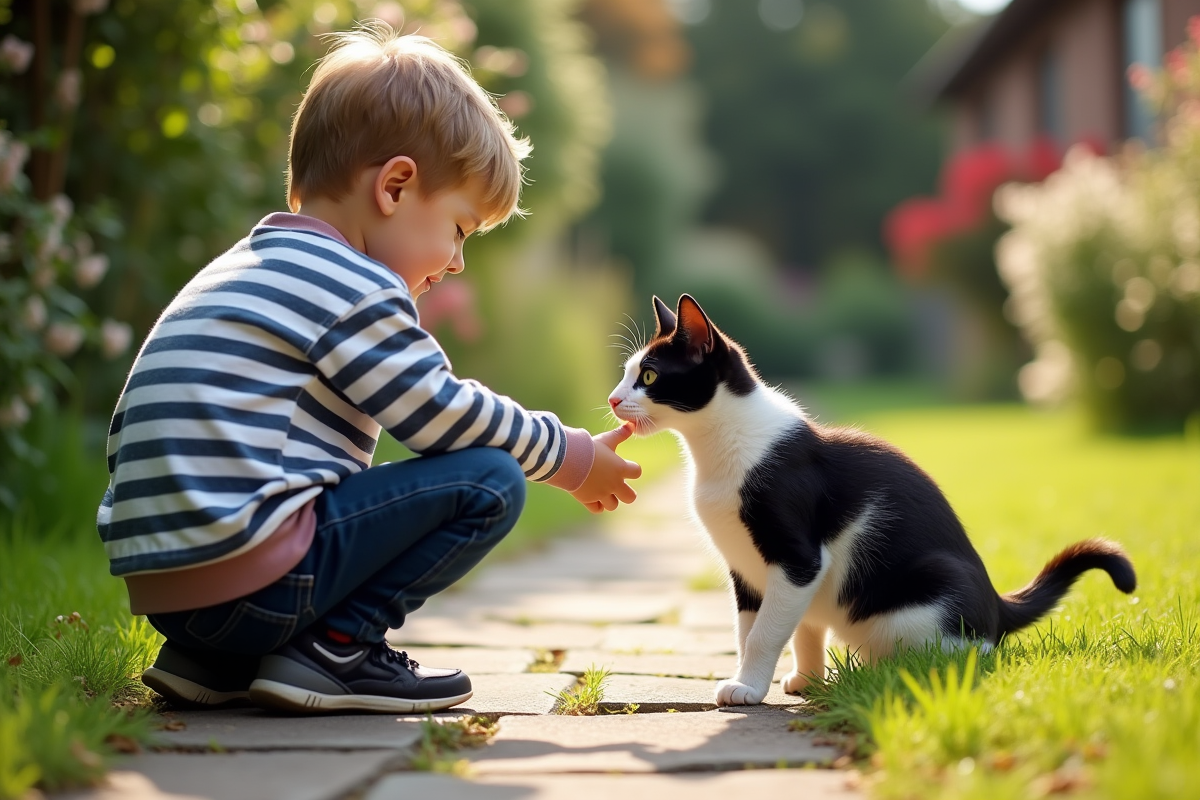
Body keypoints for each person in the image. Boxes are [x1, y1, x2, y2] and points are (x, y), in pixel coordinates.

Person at [98, 24, 641, 714]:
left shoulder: (239, 270)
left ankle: (212, 662)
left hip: (172, 594)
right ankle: (336, 648)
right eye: (460, 228)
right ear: (395, 186)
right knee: (492, 480)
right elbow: (440, 417)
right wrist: (567, 454)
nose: (456, 262)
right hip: (255, 584)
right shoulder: (353, 283)